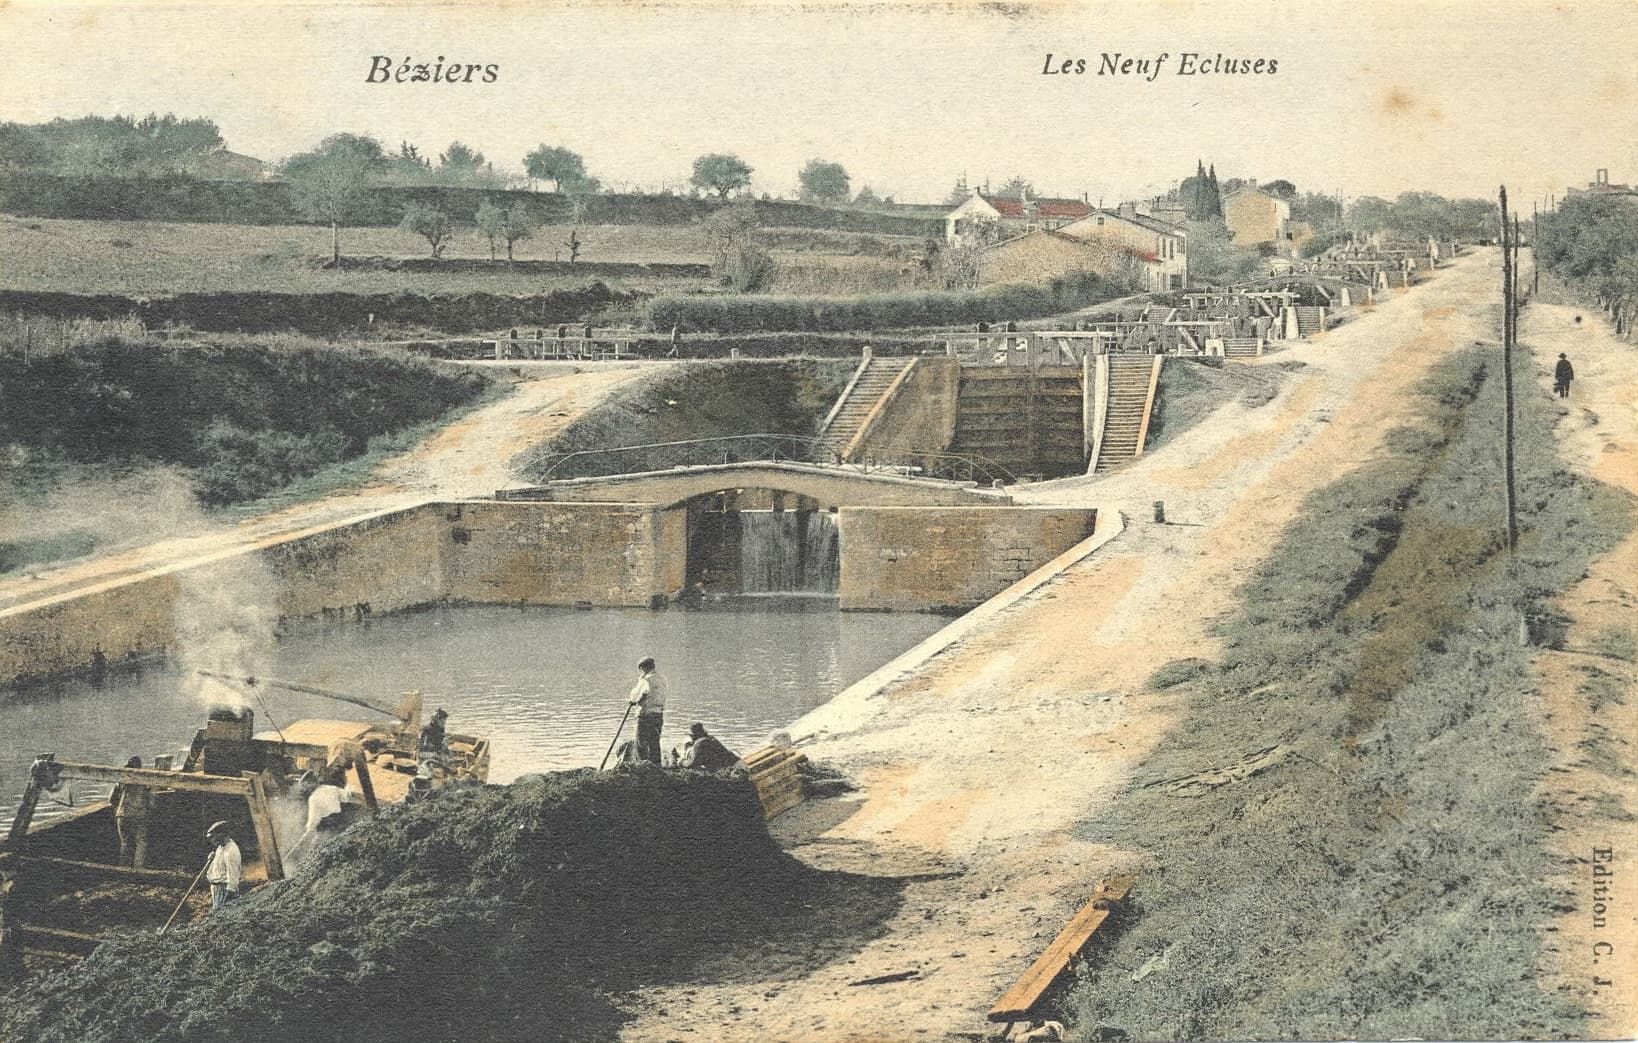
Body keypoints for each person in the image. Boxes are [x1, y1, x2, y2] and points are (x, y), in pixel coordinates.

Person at [627, 656, 668, 765]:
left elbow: (642, 695)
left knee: (641, 742)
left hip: (645, 714)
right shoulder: (662, 678)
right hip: (658, 714)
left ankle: (642, 766)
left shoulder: (646, 680)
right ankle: (656, 766)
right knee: (654, 742)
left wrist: (634, 702)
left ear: (643, 668)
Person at [113, 756, 152, 868]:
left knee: (125, 842)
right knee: (141, 842)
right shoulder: (144, 781)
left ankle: (123, 868)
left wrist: (117, 808)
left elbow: (112, 798)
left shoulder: (122, 781)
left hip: (123, 814)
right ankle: (138, 868)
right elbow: (150, 800)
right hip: (139, 814)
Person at [203, 821, 242, 912]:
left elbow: (233, 876)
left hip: (224, 890)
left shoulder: (231, 851)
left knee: (221, 915)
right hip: (216, 889)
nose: (212, 840)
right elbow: (216, 869)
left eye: (213, 836)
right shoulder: (220, 848)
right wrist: (211, 859)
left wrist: (228, 896)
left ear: (222, 834)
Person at [678, 723, 743, 773]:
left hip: (734, 770)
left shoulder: (699, 744)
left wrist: (681, 762)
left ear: (693, 736)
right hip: (738, 763)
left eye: (691, 736)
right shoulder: (710, 738)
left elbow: (691, 764)